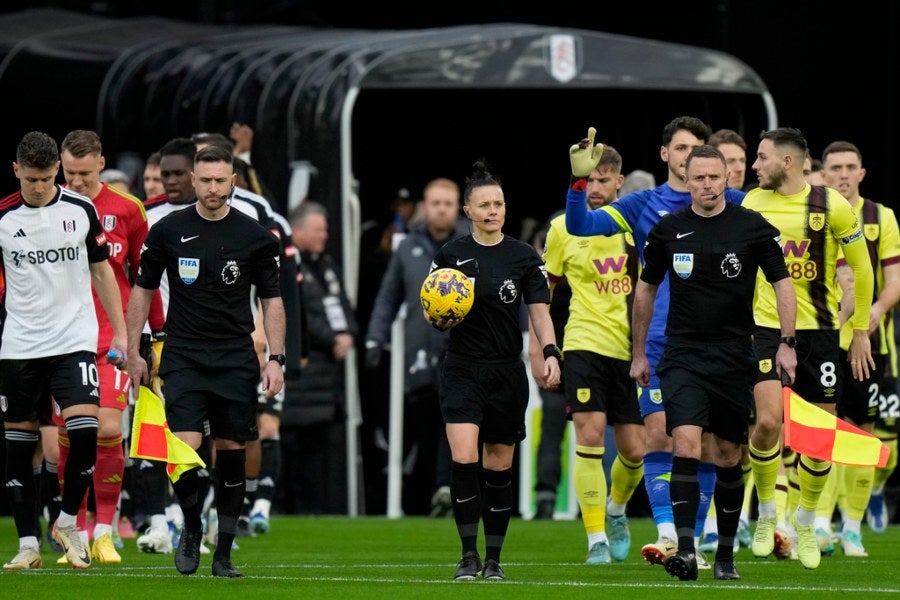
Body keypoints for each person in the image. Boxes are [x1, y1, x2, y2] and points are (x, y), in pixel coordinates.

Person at [565, 118, 745, 568]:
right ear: (665, 154)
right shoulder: (644, 204)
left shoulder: (734, 203)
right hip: (662, 343)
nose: (690, 157)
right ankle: (669, 535)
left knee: (708, 447)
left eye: (699, 149)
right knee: (661, 435)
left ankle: (699, 541)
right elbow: (581, 225)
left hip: (720, 343)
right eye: (681, 148)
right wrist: (578, 180)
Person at [630, 144, 797, 581]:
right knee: (684, 442)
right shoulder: (668, 230)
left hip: (734, 356)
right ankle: (685, 551)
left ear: (727, 179)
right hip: (681, 355)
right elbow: (645, 290)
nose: (706, 184)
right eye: (698, 177)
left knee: (727, 453)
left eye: (713, 177)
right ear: (686, 180)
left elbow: (782, 282)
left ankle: (724, 554)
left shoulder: (752, 227)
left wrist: (787, 342)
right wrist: (639, 352)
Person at [124, 144, 286, 578]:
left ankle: (225, 552)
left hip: (235, 356)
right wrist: (132, 349)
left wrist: (276, 358)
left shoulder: (255, 236)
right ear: (193, 181)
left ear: (233, 181)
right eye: (206, 180)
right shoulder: (168, 230)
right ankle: (192, 526)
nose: (213, 188)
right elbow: (142, 289)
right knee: (185, 448)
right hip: (184, 354)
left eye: (221, 180)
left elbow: (272, 300)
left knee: (233, 449)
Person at [743, 127, 875, 570]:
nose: (753, 166)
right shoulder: (750, 203)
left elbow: (862, 267)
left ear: (787, 163)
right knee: (766, 423)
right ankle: (765, 514)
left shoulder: (831, 206)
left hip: (819, 334)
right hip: (764, 328)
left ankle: (804, 519)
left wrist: (858, 332)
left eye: (761, 158)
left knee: (818, 441)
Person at [426, 159, 560, 581]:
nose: (492, 211)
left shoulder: (523, 257)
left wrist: (551, 351)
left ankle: (494, 560)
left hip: (506, 373)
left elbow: (540, 313)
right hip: (463, 369)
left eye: (498, 204)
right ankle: (468, 556)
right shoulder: (451, 255)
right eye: (484, 205)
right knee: (465, 460)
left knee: (498, 468)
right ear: (468, 211)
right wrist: (438, 318)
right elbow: (431, 308)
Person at [1, 131, 127, 570]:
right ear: (16, 170)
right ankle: (27, 544)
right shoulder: (2, 217)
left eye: (45, 178)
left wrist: (123, 335)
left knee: (87, 431)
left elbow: (102, 272)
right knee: (20, 444)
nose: (37, 187)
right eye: (29, 179)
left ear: (56, 170)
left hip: (74, 341)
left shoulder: (80, 210)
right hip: (19, 346)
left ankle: (70, 520)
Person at [529, 145, 646, 564]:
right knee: (590, 435)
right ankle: (595, 534)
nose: (595, 188)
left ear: (619, 182)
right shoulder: (563, 228)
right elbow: (544, 290)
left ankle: (615, 509)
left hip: (632, 350)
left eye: (602, 180)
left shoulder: (637, 223)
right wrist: (538, 345)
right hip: (583, 344)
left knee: (635, 451)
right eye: (588, 180)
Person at [54, 129, 160, 565]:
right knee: (66, 435)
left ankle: (104, 529)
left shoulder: (128, 209)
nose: (75, 182)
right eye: (69, 173)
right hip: (60, 337)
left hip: (110, 337)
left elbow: (145, 277)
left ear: (101, 163)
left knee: (109, 429)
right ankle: (73, 532)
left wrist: (152, 338)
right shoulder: (47, 205)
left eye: (84, 173)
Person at [815, 140, 900, 557]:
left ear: (862, 173)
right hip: (821, 341)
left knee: (863, 436)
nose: (844, 174)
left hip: (868, 344)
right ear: (824, 174)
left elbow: (895, 284)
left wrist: (873, 313)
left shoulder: (880, 218)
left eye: (851, 166)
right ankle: (817, 523)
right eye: (836, 167)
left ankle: (851, 528)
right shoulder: (811, 215)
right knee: (823, 436)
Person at [364, 177, 464, 516]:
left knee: (456, 420)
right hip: (418, 353)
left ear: (458, 207)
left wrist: (524, 334)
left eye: (447, 203)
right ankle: (429, 494)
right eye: (435, 203)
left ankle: (449, 490)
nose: (441, 209)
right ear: (425, 205)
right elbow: (389, 296)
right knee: (424, 425)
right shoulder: (407, 247)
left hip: (463, 351)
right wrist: (375, 336)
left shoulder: (471, 243)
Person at [282, 201, 357, 514]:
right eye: (318, 230)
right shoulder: (287, 263)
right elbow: (298, 313)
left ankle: (315, 509)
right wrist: (331, 338)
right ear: (297, 231)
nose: (325, 235)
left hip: (326, 380)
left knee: (317, 449)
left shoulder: (325, 265)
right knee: (290, 446)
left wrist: (349, 334)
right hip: (300, 373)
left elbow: (342, 305)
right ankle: (282, 508)